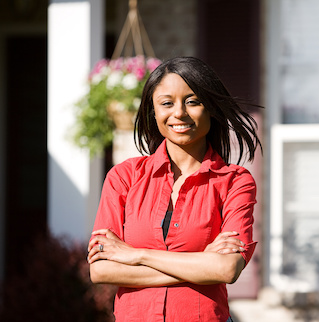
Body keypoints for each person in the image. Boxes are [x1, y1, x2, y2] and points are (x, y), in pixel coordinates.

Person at [87, 56, 262, 322]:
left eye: (192, 101)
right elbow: (102, 270)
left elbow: (227, 269)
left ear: (211, 109)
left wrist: (135, 255)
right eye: (166, 103)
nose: (179, 112)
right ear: (153, 111)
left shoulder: (235, 181)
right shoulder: (124, 177)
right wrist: (202, 264)